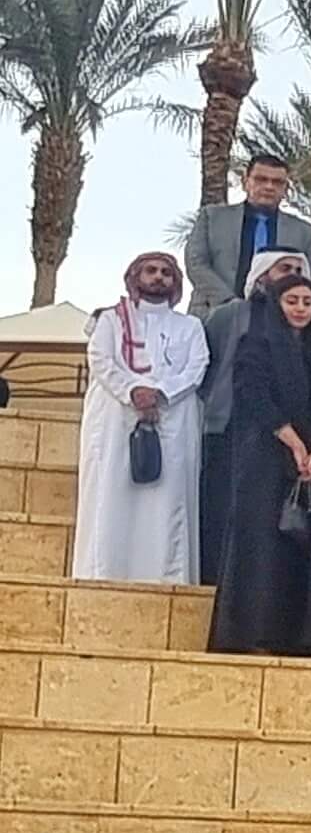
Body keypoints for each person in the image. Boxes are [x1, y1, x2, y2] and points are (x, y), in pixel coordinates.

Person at [207, 269, 311, 656]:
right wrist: (294, 443)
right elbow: (253, 395)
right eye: (292, 301)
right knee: (264, 551)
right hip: (266, 465)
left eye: (307, 302)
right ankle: (257, 636)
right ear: (277, 304)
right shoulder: (256, 344)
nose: (300, 309)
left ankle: (304, 639)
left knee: (308, 552)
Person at [75, 251, 206, 585]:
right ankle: (103, 578)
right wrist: (133, 391)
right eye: (151, 270)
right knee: (110, 500)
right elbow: (100, 360)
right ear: (135, 277)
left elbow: (197, 367)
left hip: (172, 419)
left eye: (166, 272)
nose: (159, 277)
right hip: (115, 421)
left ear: (176, 283)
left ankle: (167, 581)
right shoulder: (110, 320)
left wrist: (160, 393)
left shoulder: (190, 326)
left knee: (167, 506)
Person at [197, 250, 308, 574]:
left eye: (298, 269)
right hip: (228, 428)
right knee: (222, 511)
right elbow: (205, 362)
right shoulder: (229, 315)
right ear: (262, 276)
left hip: (284, 437)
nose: (293, 273)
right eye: (284, 268)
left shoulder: (305, 321)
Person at [185, 153, 311, 316]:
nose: (269, 187)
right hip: (213, 312)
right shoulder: (212, 218)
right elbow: (196, 264)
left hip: (279, 319)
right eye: (261, 179)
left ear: (286, 189)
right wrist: (228, 301)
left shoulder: (304, 231)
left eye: (277, 182)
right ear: (245, 182)